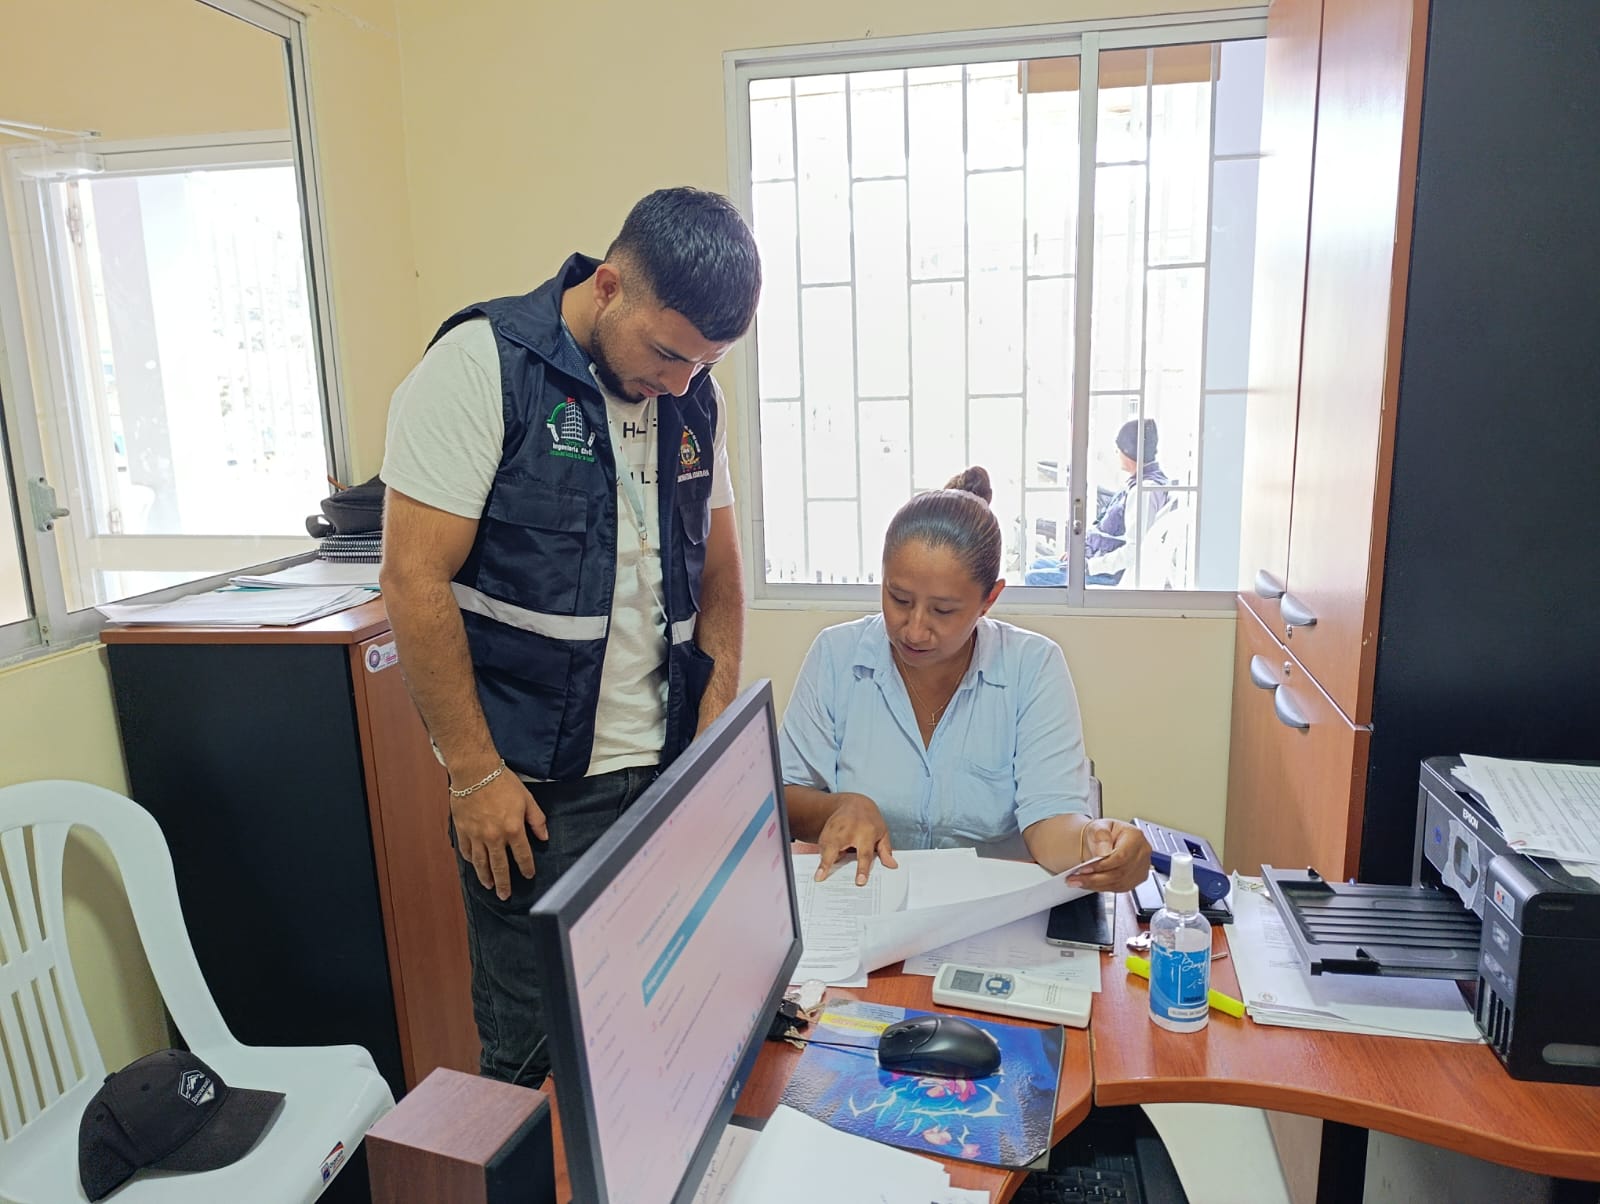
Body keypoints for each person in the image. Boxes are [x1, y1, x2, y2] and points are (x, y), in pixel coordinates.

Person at [378, 188, 760, 1084]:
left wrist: (715, 720)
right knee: (537, 1061)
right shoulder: (483, 367)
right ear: (609, 286)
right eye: (668, 354)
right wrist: (474, 773)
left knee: (666, 1026)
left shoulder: (692, 396)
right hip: (535, 798)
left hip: (666, 774)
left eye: (705, 364)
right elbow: (412, 579)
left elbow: (720, 570)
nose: (681, 383)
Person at [778, 466, 1151, 891]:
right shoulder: (836, 656)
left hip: (990, 912)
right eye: (899, 599)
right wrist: (839, 807)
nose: (914, 629)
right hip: (867, 900)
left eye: (943, 610)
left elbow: (1050, 822)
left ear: (989, 599)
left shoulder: (1032, 667)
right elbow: (782, 796)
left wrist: (1093, 843)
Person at [1085, 418, 1173, 585]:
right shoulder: (1143, 483)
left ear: (1128, 451)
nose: (1117, 453)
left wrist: (1090, 566)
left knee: (1035, 577)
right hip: (1100, 561)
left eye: (1119, 448)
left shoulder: (1145, 491)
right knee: (1040, 565)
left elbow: (1135, 549)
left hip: (1111, 573)